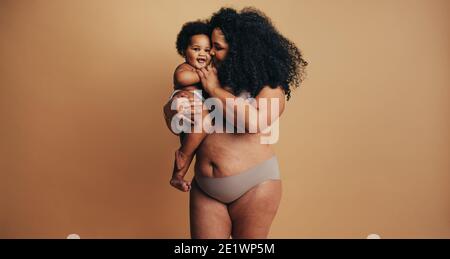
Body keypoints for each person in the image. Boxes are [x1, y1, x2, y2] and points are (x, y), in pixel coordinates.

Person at [163, 7, 307, 238]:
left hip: (254, 186)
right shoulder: (209, 75)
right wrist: (172, 111)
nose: (211, 54)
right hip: (205, 188)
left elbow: (254, 122)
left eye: (217, 48)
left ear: (240, 51)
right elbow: (180, 119)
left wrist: (214, 90)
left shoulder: (269, 87)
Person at [169, 21, 211, 192]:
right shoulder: (184, 68)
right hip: (184, 105)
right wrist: (205, 74)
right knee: (189, 145)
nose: (202, 54)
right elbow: (182, 79)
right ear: (184, 51)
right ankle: (182, 154)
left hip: (196, 112)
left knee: (192, 145)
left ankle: (177, 176)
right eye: (196, 49)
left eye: (207, 50)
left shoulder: (205, 69)